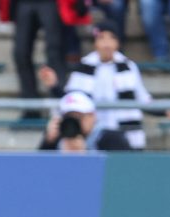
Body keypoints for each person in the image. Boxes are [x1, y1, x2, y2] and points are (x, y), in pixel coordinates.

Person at [63, 20, 152, 150]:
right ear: (95, 43)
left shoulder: (128, 66)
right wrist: (54, 86)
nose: (106, 44)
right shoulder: (83, 67)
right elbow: (70, 100)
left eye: (111, 38)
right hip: (92, 135)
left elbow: (142, 98)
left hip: (123, 134)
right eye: (101, 38)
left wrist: (165, 111)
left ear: (117, 42)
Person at [0, 0, 64, 115]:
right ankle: (30, 108)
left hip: (50, 3)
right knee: (20, 53)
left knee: (54, 51)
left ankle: (59, 103)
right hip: (23, 3)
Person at [38, 91, 130, 151]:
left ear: (92, 116)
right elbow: (37, 171)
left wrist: (85, 153)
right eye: (68, 117)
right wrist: (48, 141)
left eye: (78, 117)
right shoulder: (56, 139)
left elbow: (124, 171)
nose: (73, 121)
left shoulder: (112, 138)